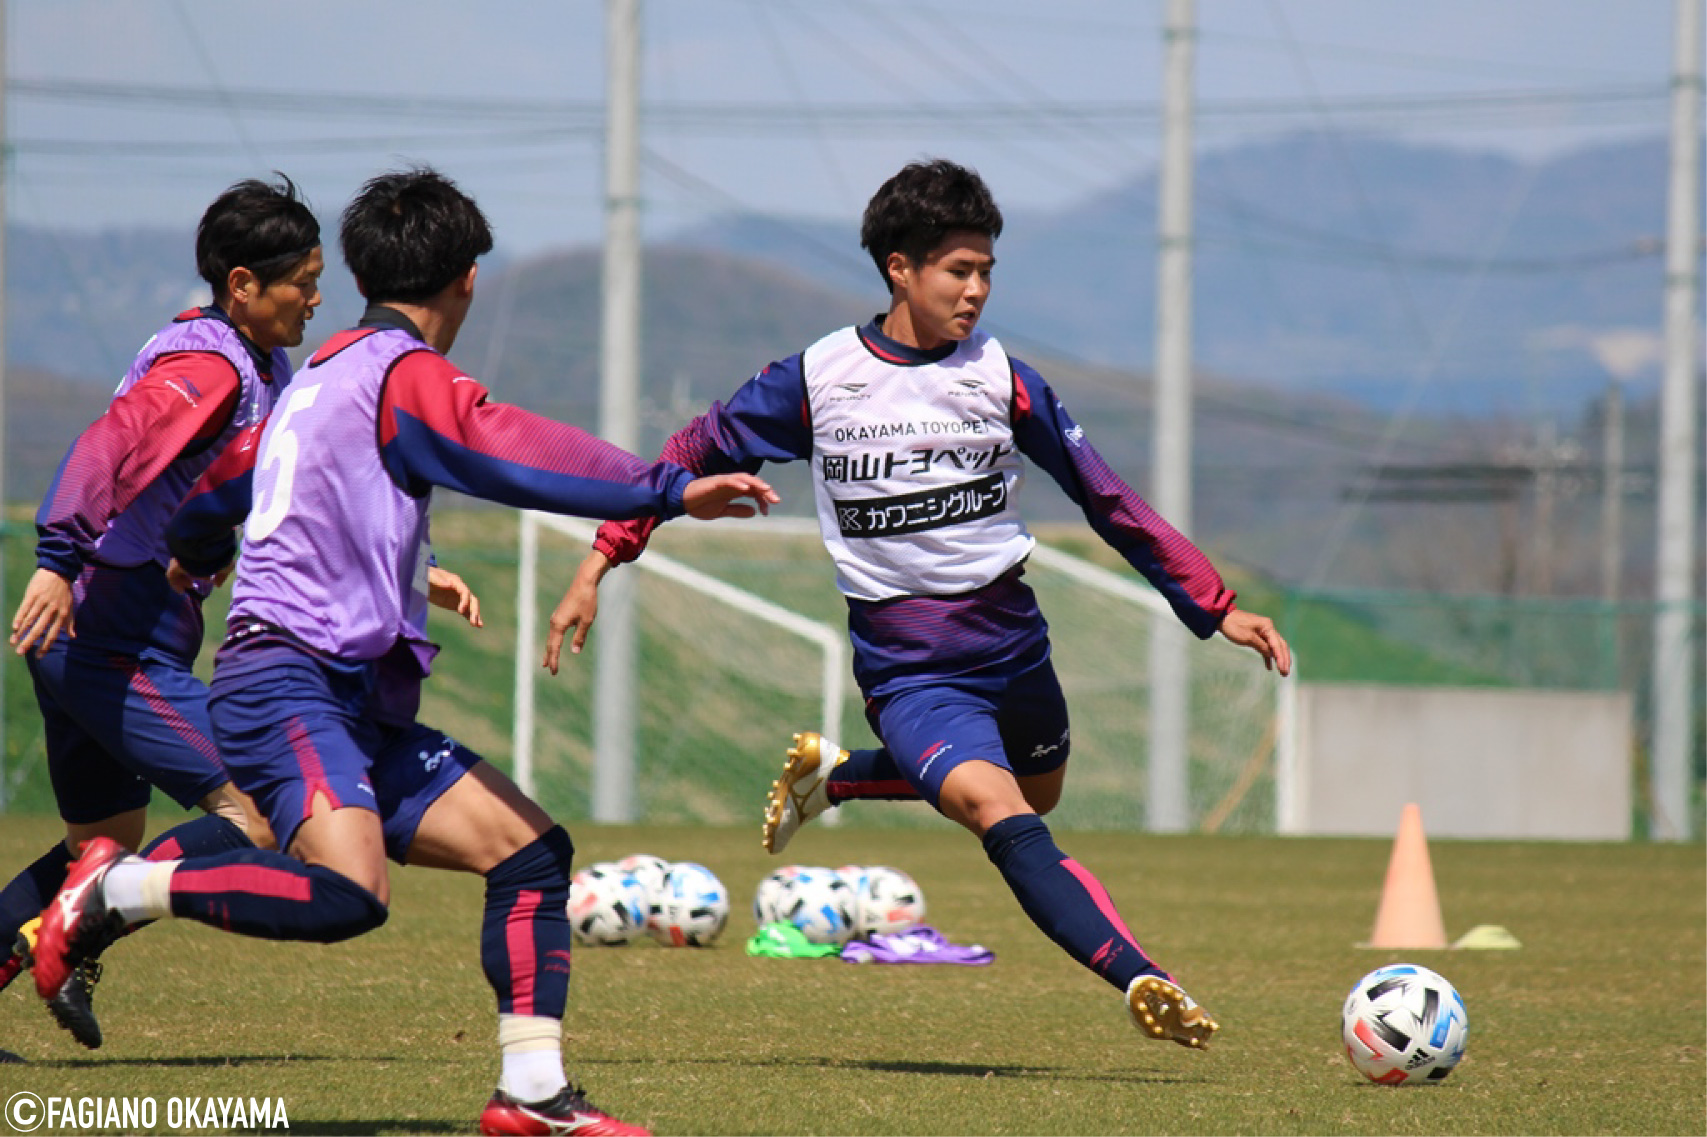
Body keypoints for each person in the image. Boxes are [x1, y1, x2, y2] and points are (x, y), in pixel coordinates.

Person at [31, 166, 773, 1137]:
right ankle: (116, 889)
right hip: (287, 684)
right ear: (466, 279)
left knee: (531, 853)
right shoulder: (401, 373)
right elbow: (504, 446)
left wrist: (199, 551)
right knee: (350, 893)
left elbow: (227, 487)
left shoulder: (316, 375)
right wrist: (665, 489)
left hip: (347, 700)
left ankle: (532, 1092)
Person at [547, 159, 1292, 1052]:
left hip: (1014, 648)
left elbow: (1104, 495)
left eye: (986, 272)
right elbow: (689, 452)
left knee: (1036, 792)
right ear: (898, 268)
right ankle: (1142, 975)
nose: (976, 291)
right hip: (910, 669)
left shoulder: (1002, 377)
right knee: (999, 813)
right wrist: (603, 555)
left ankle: (840, 775)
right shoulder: (818, 378)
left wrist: (1212, 604)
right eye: (957, 270)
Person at [0, 176, 328, 1049]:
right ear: (242, 285)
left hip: (98, 633)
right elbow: (108, 441)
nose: (314, 298)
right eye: (302, 281)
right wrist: (58, 557)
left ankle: (76, 914)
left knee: (97, 845)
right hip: (113, 634)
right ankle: (83, 925)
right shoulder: (210, 366)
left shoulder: (256, 363)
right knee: (259, 807)